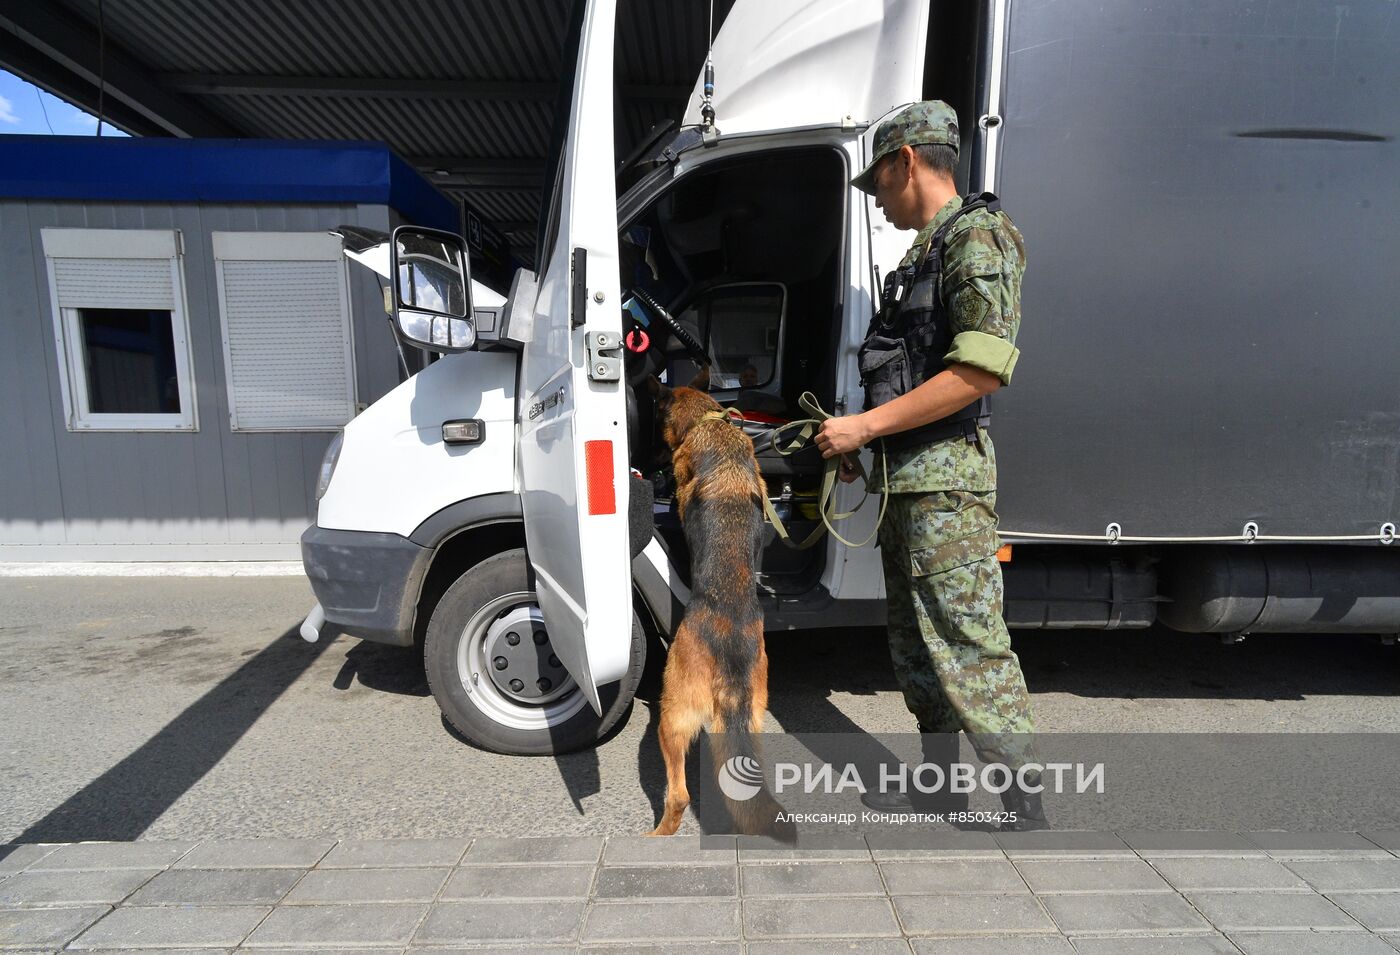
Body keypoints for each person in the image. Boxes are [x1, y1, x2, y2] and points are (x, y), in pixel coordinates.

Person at [814, 100, 1045, 829]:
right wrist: (865, 444)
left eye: (879, 184)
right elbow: (908, 372)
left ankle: (1025, 806)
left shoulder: (977, 238)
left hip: (946, 487)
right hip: (908, 481)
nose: (878, 202)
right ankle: (941, 787)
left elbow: (981, 369)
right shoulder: (926, 250)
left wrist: (864, 425)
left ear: (906, 160)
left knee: (969, 642)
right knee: (918, 645)